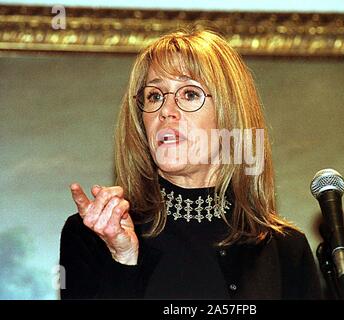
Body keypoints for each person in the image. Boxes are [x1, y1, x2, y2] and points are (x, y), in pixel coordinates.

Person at [59, 28, 322, 299]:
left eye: (189, 94)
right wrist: (123, 260)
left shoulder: (285, 249)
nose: (166, 111)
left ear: (230, 115)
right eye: (155, 95)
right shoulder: (92, 236)